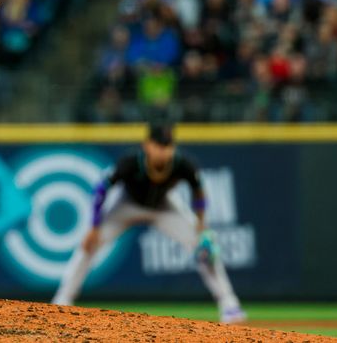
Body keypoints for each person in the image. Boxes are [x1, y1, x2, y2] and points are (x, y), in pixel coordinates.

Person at [52, 123, 247, 324]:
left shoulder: (182, 164)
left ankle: (229, 304)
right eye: (159, 145)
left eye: (168, 145)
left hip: (164, 206)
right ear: (147, 145)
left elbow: (198, 191)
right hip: (127, 205)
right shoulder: (130, 162)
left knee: (204, 246)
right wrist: (93, 227)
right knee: (88, 245)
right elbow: (101, 189)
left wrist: (201, 225)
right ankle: (63, 299)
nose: (164, 150)